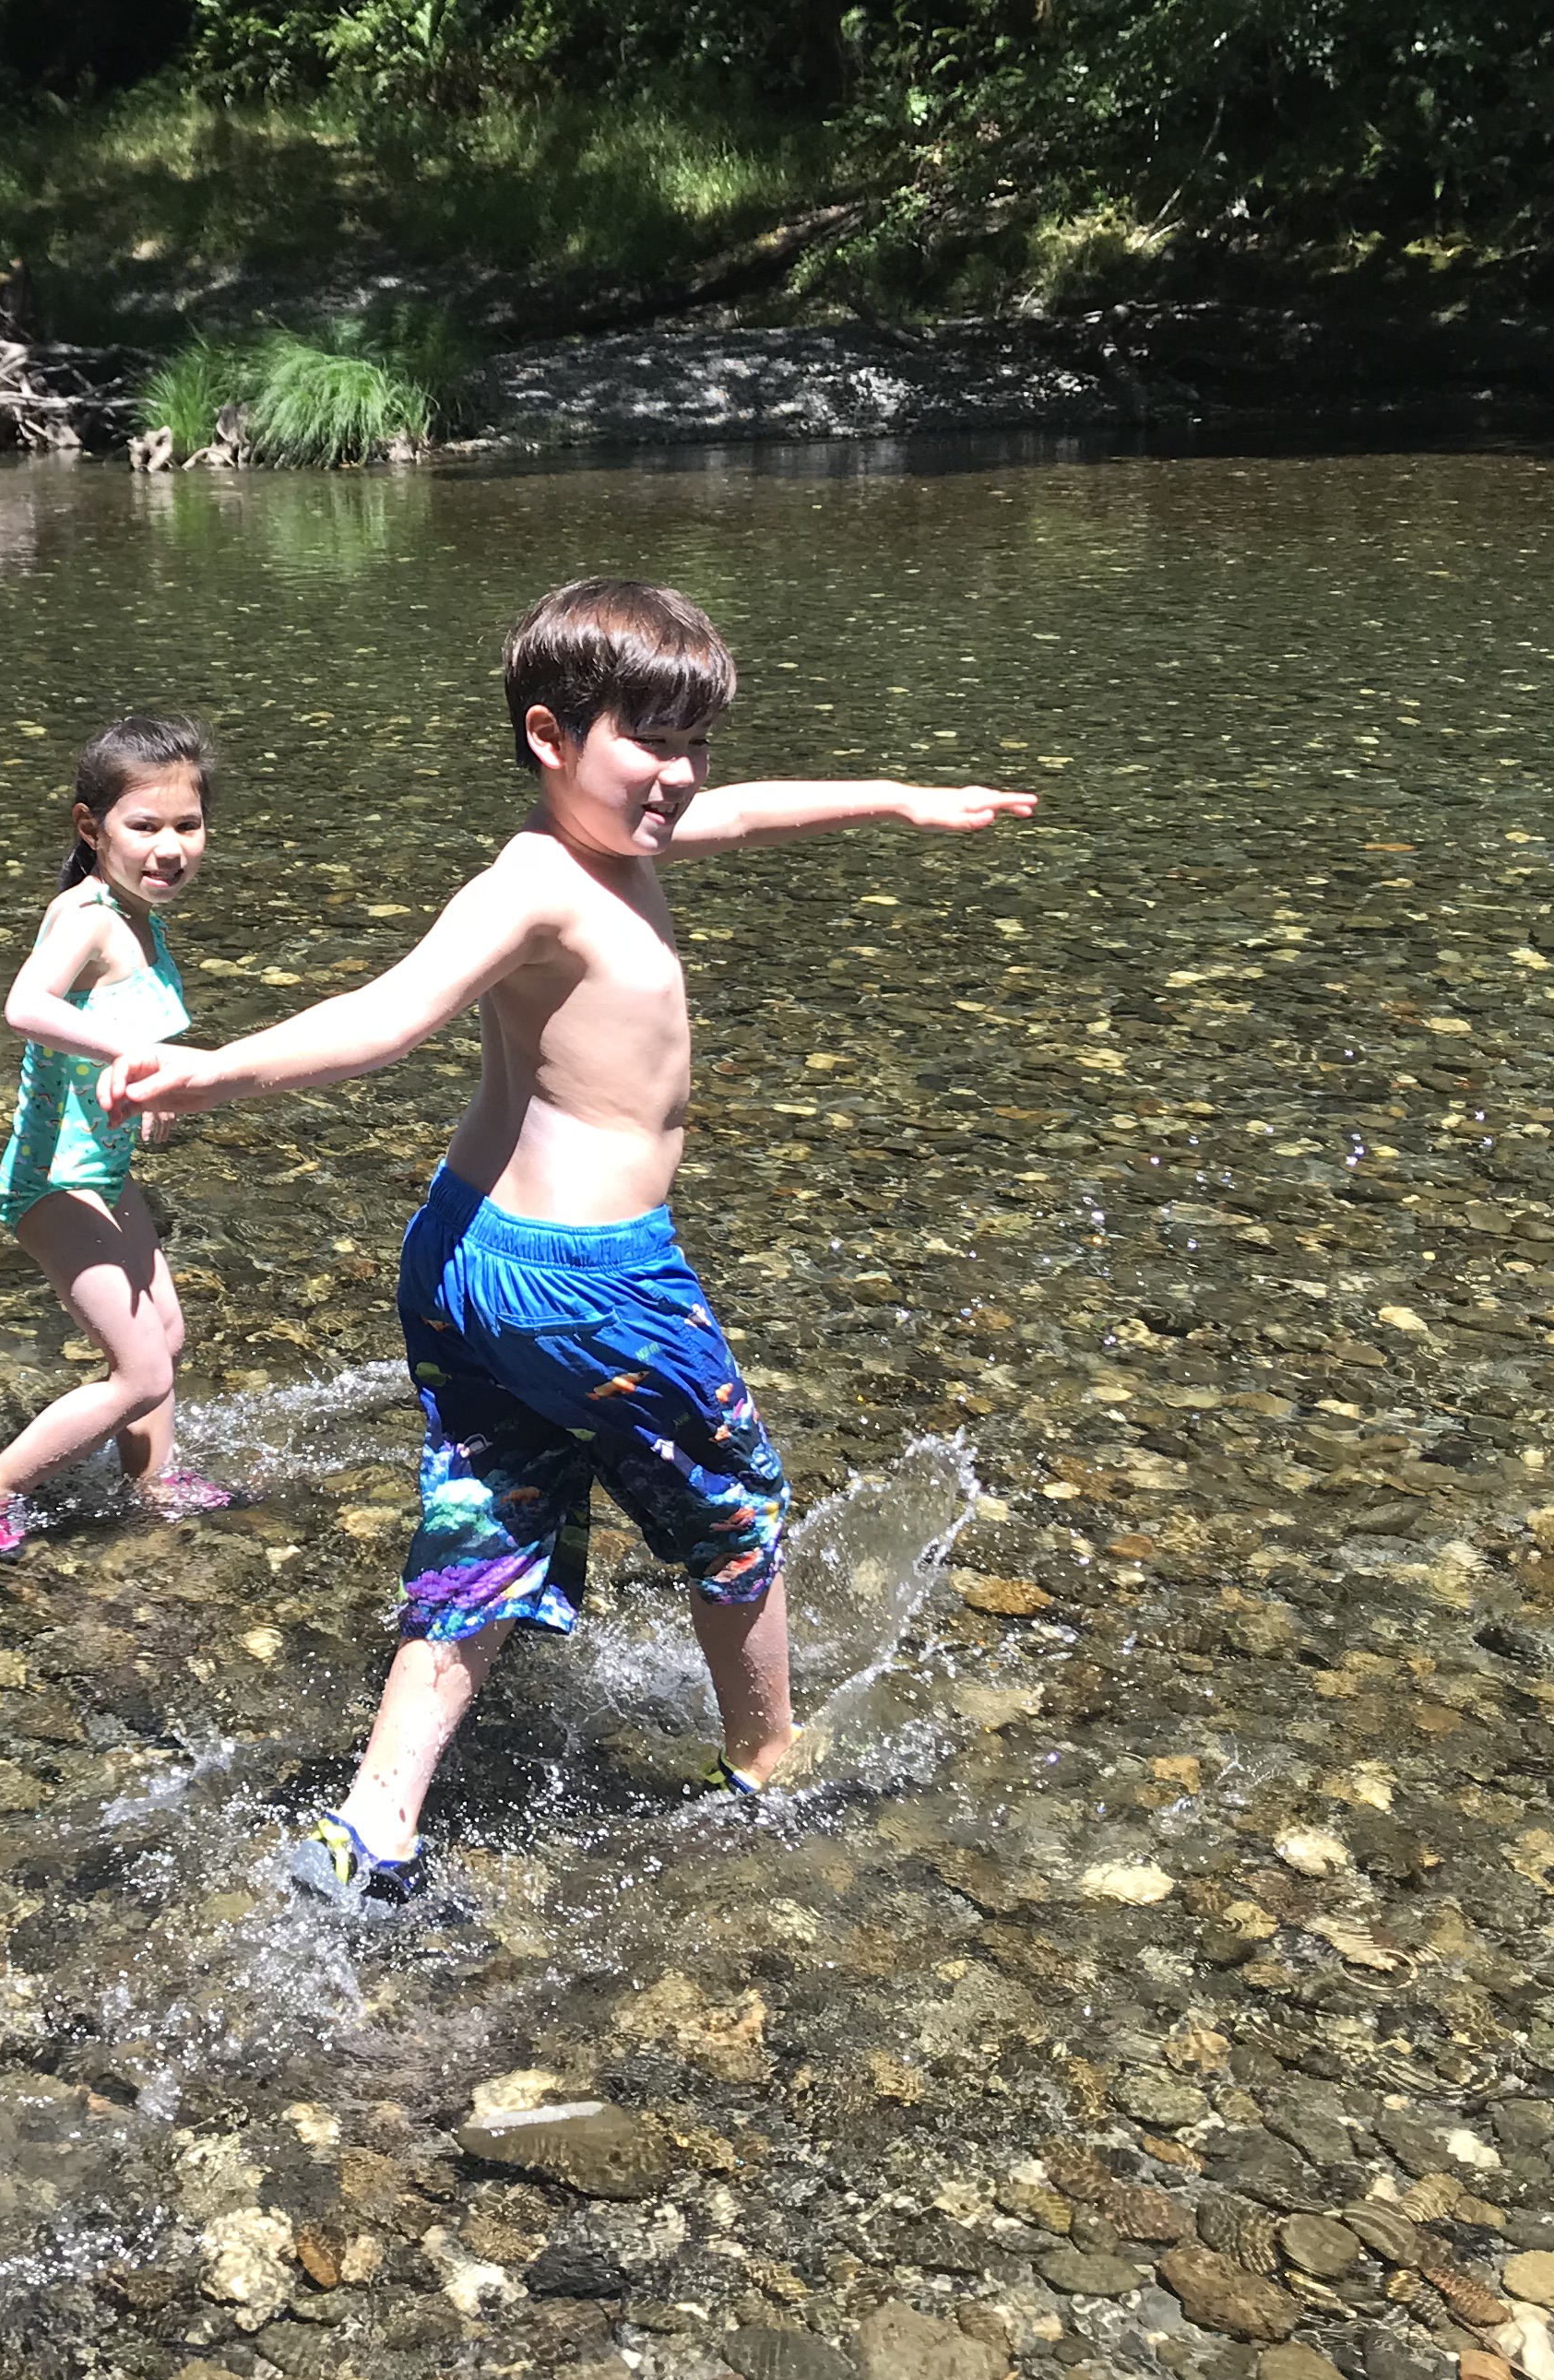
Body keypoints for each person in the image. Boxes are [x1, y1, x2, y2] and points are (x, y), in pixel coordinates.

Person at [101, 579, 1037, 1904]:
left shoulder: (615, 841)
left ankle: (376, 1823)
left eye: (696, 742)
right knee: (740, 1511)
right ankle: (770, 1765)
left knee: (490, 1512)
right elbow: (388, 1015)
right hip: (588, 1279)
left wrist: (899, 799)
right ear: (551, 735)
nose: (681, 777)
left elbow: (744, 812)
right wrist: (212, 1072)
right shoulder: (536, 885)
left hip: (467, 1257)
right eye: (649, 743)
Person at [0, 714, 243, 1555]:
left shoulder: (142, 917)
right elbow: (25, 1007)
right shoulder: (91, 916)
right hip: (51, 1179)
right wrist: (138, 1053)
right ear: (90, 826)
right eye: (145, 826)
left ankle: (154, 1481)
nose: (169, 847)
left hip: (100, 1172)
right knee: (141, 1370)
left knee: (166, 1342)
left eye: (188, 825)